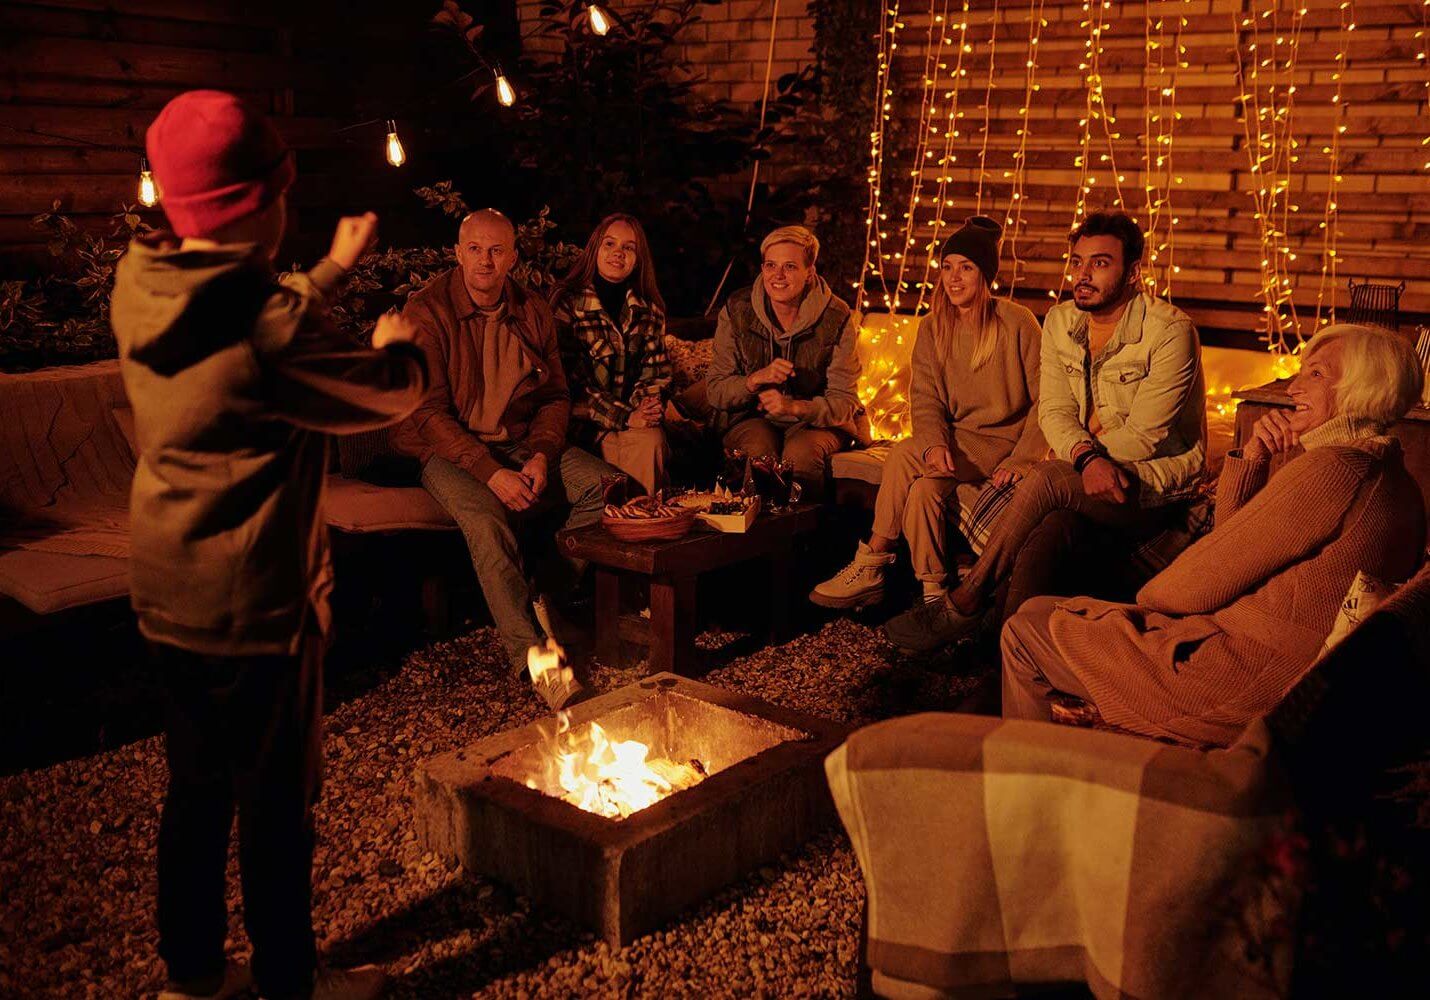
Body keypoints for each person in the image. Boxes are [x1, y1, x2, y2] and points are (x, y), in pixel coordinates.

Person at [112, 91, 427, 1000]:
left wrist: (326, 272)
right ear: (260, 204)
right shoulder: (273, 328)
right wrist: (401, 346)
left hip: (168, 589)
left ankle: (194, 979)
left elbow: (239, 308)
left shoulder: (143, 282)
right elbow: (386, 392)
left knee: (195, 790)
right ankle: (291, 980)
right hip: (258, 603)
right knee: (277, 806)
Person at [1001, 324, 1426, 746]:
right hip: (1289, 678)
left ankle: (1028, 785)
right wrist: (1252, 457)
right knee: (1062, 598)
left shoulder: (1335, 470)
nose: (1295, 386)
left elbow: (1190, 586)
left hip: (1239, 683)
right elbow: (1233, 544)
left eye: (1316, 374)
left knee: (1027, 627)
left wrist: (1143, 607)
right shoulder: (1394, 478)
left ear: (1361, 388)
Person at [885, 210, 1207, 653]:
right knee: (1049, 528)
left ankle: (965, 599)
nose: (1083, 274)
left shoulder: (1170, 331)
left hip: (1152, 484)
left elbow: (1145, 435)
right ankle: (1003, 651)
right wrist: (1082, 454)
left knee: (1048, 478)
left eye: (1100, 262)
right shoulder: (1061, 322)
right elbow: (1054, 409)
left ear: (1133, 272)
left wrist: (1078, 457)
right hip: (1083, 471)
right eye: (1077, 262)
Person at [393, 209, 616, 707]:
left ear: (513, 257)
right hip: (442, 447)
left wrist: (540, 455)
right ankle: (536, 661)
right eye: (474, 249)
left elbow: (555, 397)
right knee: (487, 521)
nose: (485, 261)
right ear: (457, 252)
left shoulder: (530, 309)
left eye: (496, 250)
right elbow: (427, 413)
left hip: (516, 440)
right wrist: (491, 473)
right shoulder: (425, 312)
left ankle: (545, 595)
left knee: (608, 489)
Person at [809, 217, 1045, 609]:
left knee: (901, 454)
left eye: (966, 268)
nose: (954, 278)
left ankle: (871, 561)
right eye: (948, 267)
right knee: (922, 491)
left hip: (1002, 442)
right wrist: (933, 443)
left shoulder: (1016, 322)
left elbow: (1047, 400)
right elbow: (925, 398)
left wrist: (1024, 459)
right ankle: (935, 595)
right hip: (957, 439)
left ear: (985, 275)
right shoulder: (935, 327)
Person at [704, 225, 863, 497]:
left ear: (809, 272)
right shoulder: (737, 309)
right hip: (751, 418)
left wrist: (795, 407)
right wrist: (755, 380)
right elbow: (716, 390)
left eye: (790, 266)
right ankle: (754, 536)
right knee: (758, 453)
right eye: (770, 265)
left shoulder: (837, 317)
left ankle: (802, 536)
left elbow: (844, 402)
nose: (777, 275)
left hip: (814, 423)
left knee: (799, 458)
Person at [550, 213, 673, 495]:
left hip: (633, 422)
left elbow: (656, 375)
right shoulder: (567, 304)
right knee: (641, 444)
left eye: (628, 247)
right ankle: (631, 524)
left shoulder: (649, 311)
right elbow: (565, 386)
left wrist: (647, 408)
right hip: (582, 425)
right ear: (595, 249)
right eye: (610, 244)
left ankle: (642, 527)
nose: (618, 253)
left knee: (650, 439)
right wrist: (625, 417)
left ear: (638, 258)